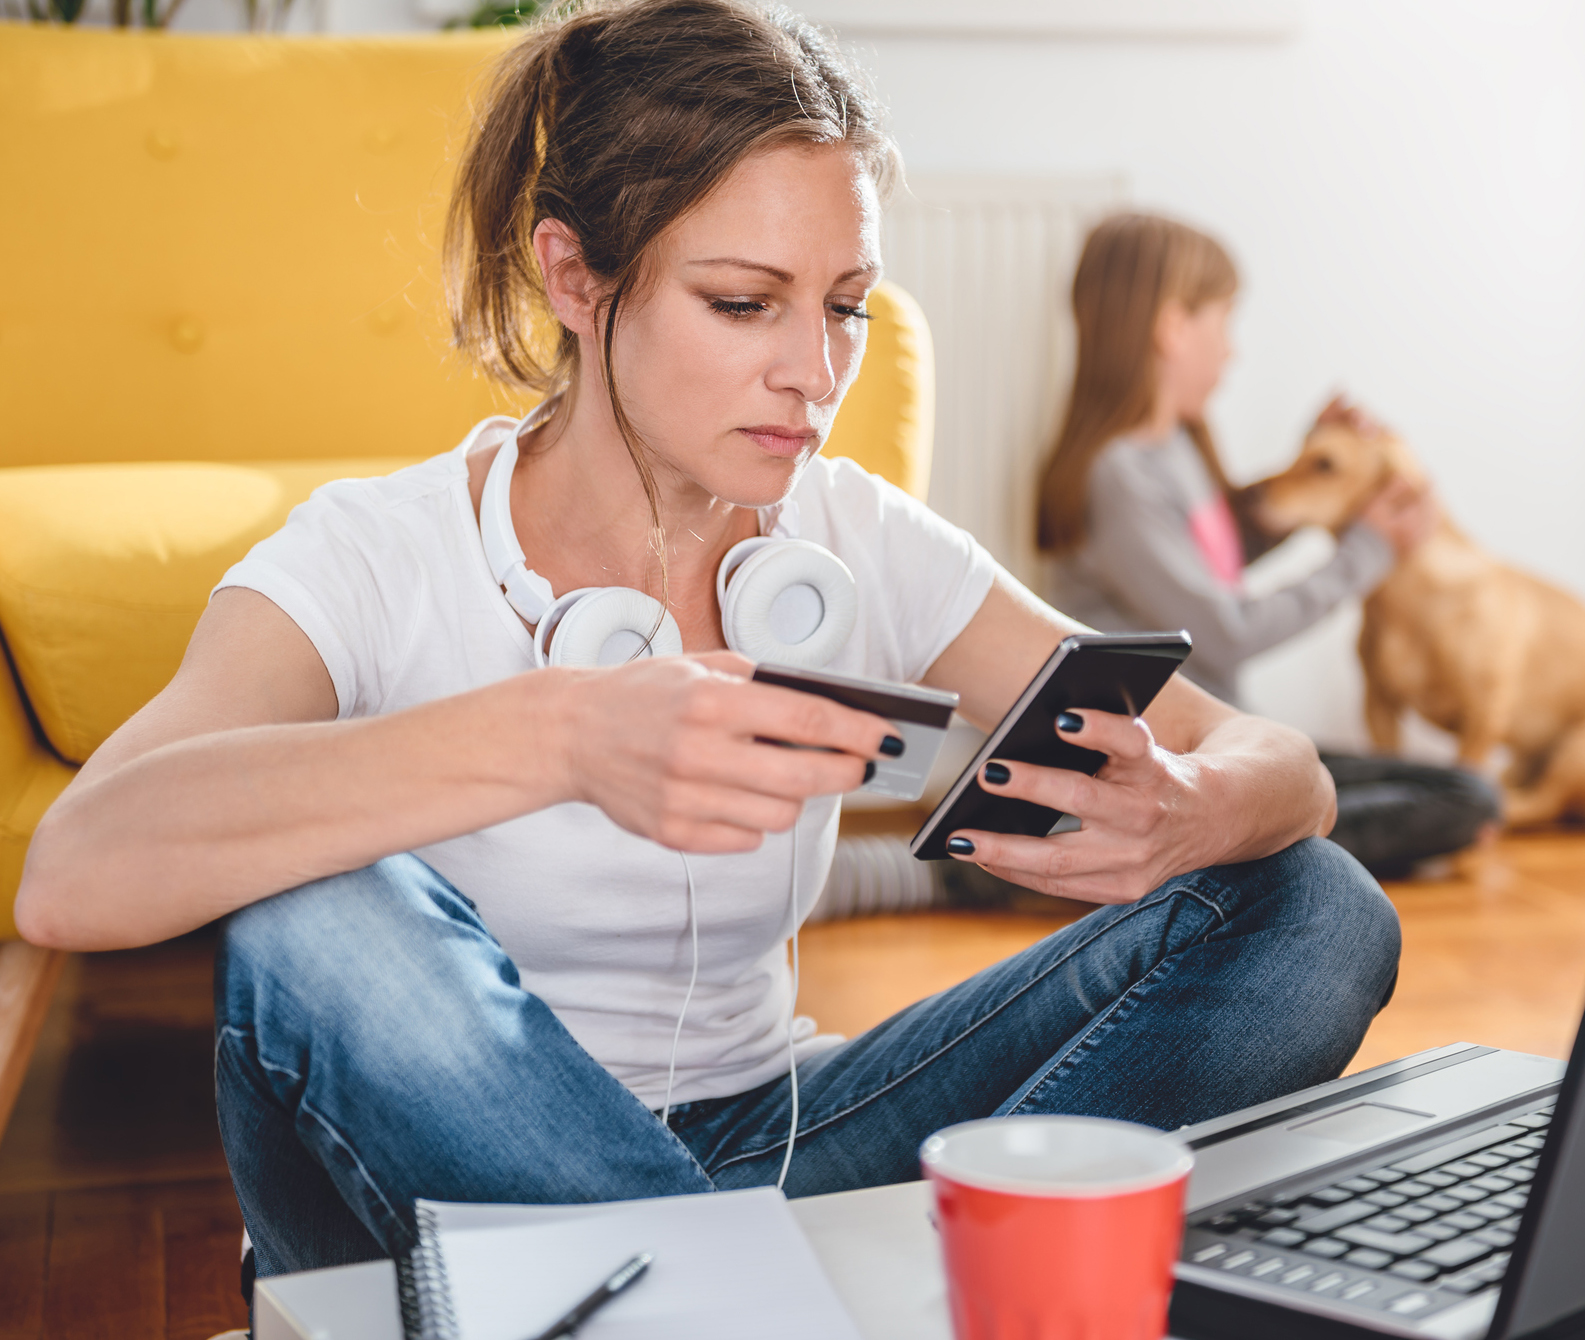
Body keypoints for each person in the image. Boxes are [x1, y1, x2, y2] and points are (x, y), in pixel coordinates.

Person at [12, 0, 1398, 1281]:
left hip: (779, 1139)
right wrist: (555, 735)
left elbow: (1287, 766)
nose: (815, 370)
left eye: (844, 304)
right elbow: (74, 871)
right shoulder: (371, 553)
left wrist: (1195, 808)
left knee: (1313, 902)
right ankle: (762, 1306)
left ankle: (747, 1301)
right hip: (447, 1191)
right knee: (316, 907)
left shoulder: (848, 532)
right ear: (574, 276)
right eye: (745, 304)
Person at [1038, 213, 1499, 878]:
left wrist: (1311, 470)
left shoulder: (1174, 449)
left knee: (1464, 794)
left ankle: (1235, 841)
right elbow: (1225, 632)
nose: (1232, 350)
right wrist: (1366, 552)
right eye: (1223, 321)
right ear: (1172, 326)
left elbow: (1215, 553)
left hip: (1216, 745)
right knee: (1461, 802)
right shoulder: (1117, 475)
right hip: (1167, 758)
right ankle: (1204, 848)